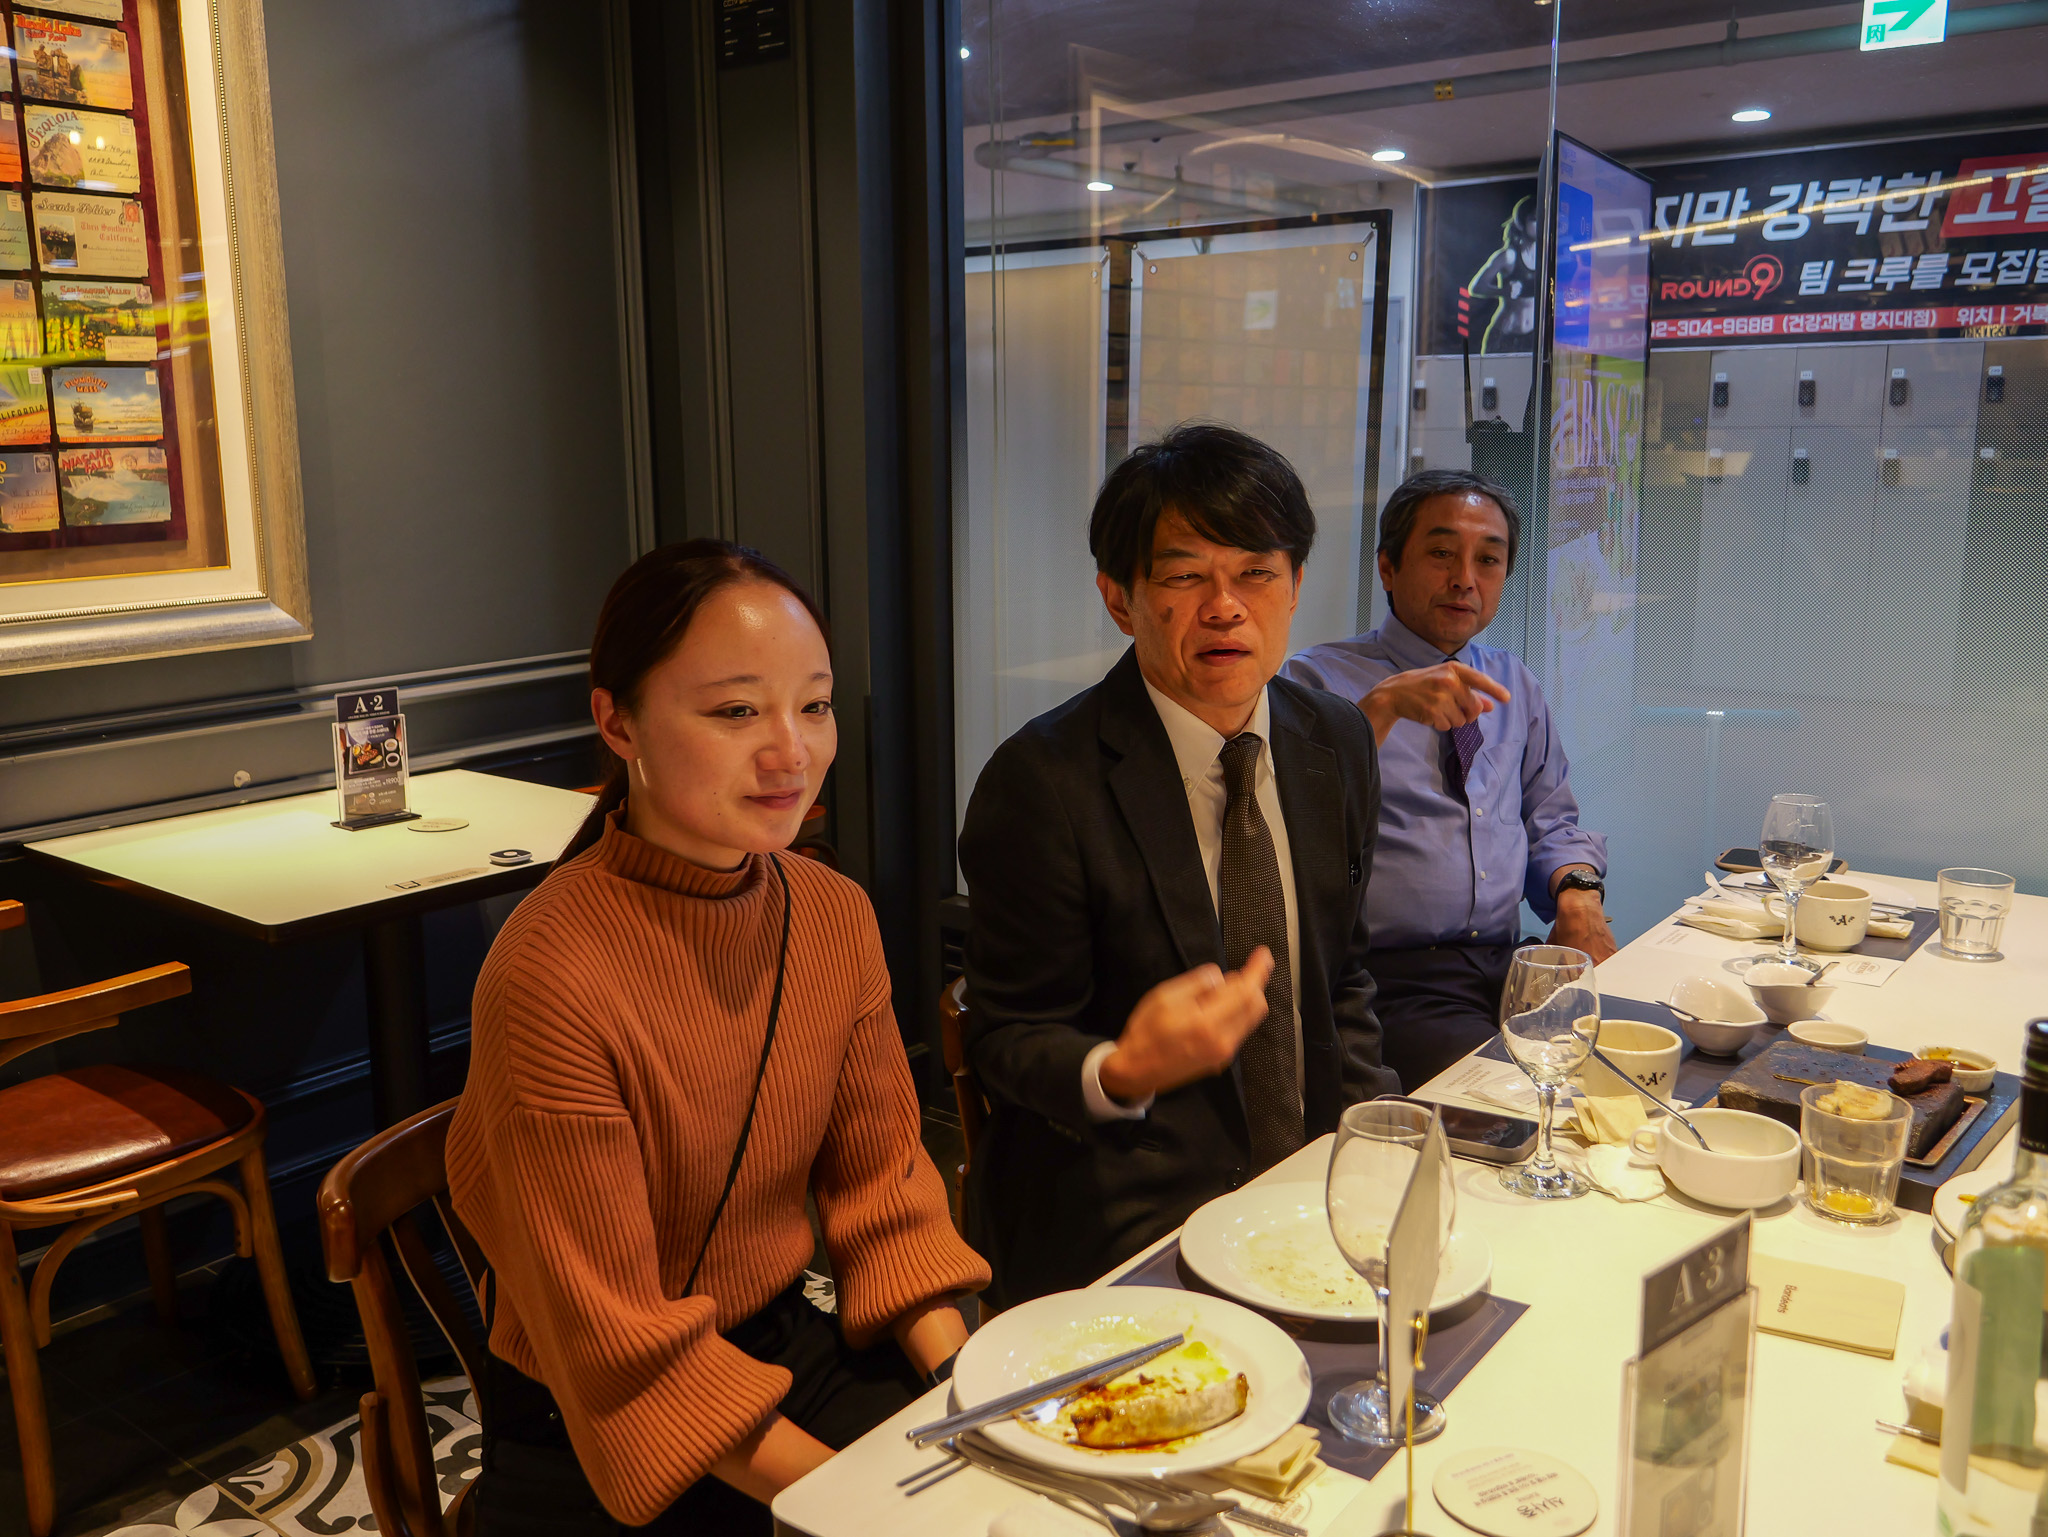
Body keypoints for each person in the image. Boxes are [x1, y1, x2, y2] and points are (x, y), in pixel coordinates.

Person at [449, 541, 988, 1536]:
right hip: (597, 1419)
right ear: (618, 721)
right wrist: (859, 1503)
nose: (791, 751)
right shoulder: (550, 976)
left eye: (813, 705)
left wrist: (964, 1392)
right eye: (736, 711)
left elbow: (883, 1194)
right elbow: (619, 1352)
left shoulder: (829, 912)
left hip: (778, 1347)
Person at [959, 423, 1400, 1310]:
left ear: (1296, 586)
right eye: (1185, 576)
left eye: (1256, 572)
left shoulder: (1336, 740)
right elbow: (1004, 1036)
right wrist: (1125, 1066)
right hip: (1123, 1209)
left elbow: (1340, 978)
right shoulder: (1042, 780)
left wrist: (1377, 1146)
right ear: (1119, 599)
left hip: (1312, 1192)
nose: (1226, 607)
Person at [1282, 469, 1611, 1092]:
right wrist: (1379, 710)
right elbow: (1296, 826)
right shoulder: (1316, 681)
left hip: (1511, 962)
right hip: (1393, 976)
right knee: (1518, 1098)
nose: (1465, 578)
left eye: (1488, 559)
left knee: (1633, 1065)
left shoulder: (1512, 682)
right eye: (1441, 554)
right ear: (1387, 567)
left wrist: (1579, 893)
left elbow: (1551, 820)